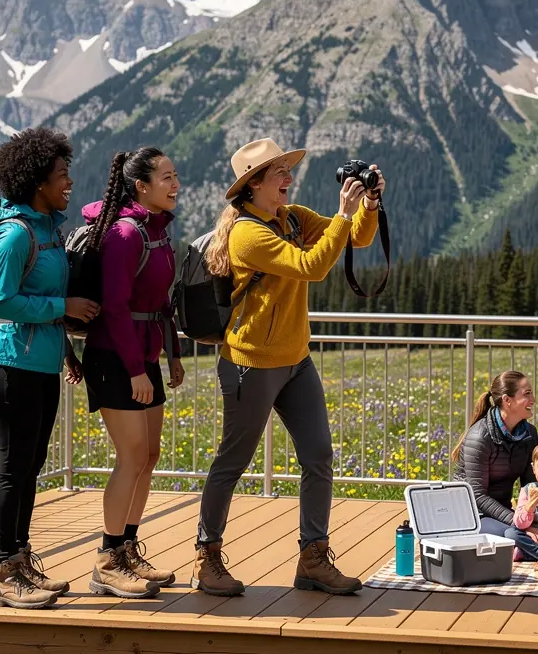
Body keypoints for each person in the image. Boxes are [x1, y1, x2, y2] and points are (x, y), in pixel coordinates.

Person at [190, 137, 385, 597]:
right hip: (251, 365)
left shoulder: (291, 217)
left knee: (318, 456)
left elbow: (357, 236)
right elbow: (312, 266)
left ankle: (313, 558)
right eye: (278, 173)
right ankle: (207, 557)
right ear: (252, 186)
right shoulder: (246, 234)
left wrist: (370, 203)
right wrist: (341, 214)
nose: (288, 178)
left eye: (286, 170)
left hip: (296, 362)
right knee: (232, 463)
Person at [0, 128, 100, 609]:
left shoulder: (48, 228)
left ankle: (22, 560)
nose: (69, 181)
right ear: (36, 182)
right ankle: (4, 571)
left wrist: (68, 352)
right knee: (12, 466)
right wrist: (62, 305)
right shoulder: (13, 235)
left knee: (31, 465)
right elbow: (0, 300)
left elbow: (39, 300)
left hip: (40, 362)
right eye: (61, 174)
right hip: (7, 362)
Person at [81, 148, 185, 600]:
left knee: (150, 455)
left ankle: (127, 546)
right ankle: (107, 560)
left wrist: (174, 355)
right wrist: (133, 371)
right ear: (141, 186)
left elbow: (162, 303)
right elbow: (117, 308)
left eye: (175, 175)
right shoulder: (125, 235)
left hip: (145, 358)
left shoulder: (156, 233)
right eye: (166, 177)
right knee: (132, 455)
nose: (175, 184)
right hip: (114, 357)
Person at [453, 370, 538, 536]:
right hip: (472, 514)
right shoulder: (479, 437)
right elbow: (477, 496)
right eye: (527, 394)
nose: (533, 400)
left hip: (502, 512)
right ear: (507, 400)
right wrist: (517, 522)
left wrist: (533, 517)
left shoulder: (530, 434)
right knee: (515, 536)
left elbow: (529, 486)